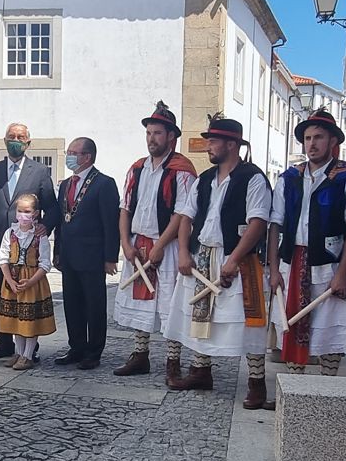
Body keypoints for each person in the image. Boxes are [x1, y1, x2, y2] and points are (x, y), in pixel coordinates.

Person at [166, 117, 271, 395]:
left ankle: (256, 384)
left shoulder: (253, 178)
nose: (208, 146)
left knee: (248, 320)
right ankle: (201, 372)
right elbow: (186, 217)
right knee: (200, 316)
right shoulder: (204, 179)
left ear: (232, 144)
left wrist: (234, 258)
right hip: (203, 255)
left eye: (213, 141)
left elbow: (258, 222)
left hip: (239, 258)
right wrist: (184, 252)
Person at [267, 109, 346, 398]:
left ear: (333, 140)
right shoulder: (289, 177)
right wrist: (274, 270)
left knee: (329, 330)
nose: (312, 144)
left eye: (319, 137)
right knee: (292, 324)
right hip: (293, 260)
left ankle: (326, 391)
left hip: (332, 264)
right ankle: (295, 393)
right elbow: (275, 224)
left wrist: (343, 273)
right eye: (308, 138)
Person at [112, 101, 198, 384]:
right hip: (138, 243)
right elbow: (125, 207)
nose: (152, 138)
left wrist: (161, 245)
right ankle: (140, 355)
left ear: (171, 136)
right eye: (149, 133)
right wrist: (125, 243)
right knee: (140, 301)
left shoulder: (182, 169)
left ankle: (173, 361)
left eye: (158, 133)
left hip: (169, 245)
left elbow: (182, 212)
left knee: (170, 302)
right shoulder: (136, 168)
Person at [0, 122, 61, 359]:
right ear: (4, 140)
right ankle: (4, 342)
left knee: (26, 296)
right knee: (2, 293)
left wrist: (44, 229)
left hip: (29, 247)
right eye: (11, 136)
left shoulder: (38, 172)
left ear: (28, 142)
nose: (15, 140)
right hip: (1, 244)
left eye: (20, 137)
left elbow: (52, 207)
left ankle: (29, 345)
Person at [52, 137, 120, 370]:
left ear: (87, 157)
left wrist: (111, 256)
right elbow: (63, 221)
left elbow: (111, 223)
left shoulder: (104, 183)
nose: (69, 156)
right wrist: (57, 251)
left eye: (73, 152)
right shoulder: (66, 184)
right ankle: (77, 346)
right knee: (72, 303)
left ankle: (94, 350)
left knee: (94, 304)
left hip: (92, 255)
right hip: (69, 254)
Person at [0, 193, 56, 370]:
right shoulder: (10, 233)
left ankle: (28, 355)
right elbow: (3, 258)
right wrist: (10, 280)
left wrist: (30, 282)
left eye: (27, 211)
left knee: (30, 319)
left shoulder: (40, 236)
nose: (23, 215)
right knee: (17, 318)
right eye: (20, 211)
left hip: (32, 282)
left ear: (36, 213)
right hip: (13, 281)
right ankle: (18, 351)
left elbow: (46, 263)